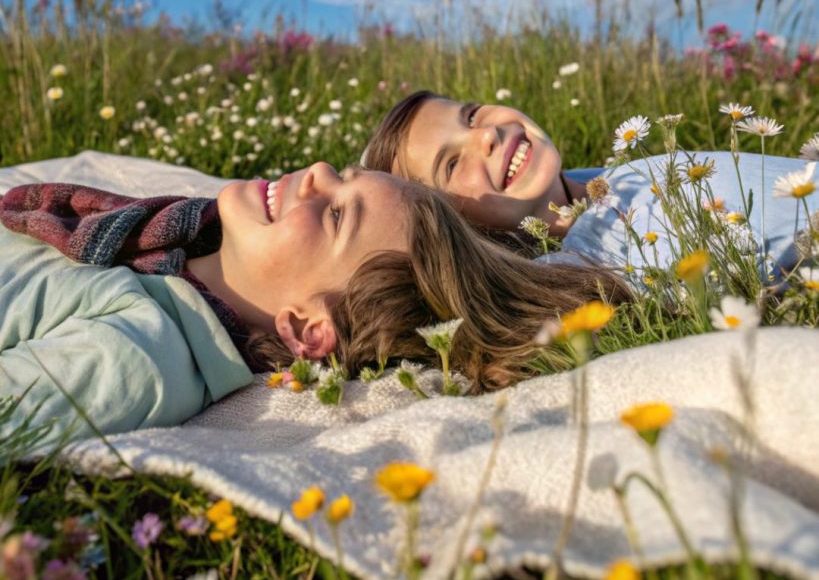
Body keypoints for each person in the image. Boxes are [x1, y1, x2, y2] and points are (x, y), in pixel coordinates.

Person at [0, 160, 628, 453]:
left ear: (308, 328)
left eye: (334, 214)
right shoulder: (162, 233)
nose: (318, 169)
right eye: (344, 174)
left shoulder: (145, 350)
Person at [363, 91, 818, 280]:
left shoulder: (607, 175)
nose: (484, 135)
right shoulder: (584, 267)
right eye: (451, 163)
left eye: (470, 114)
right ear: (455, 226)